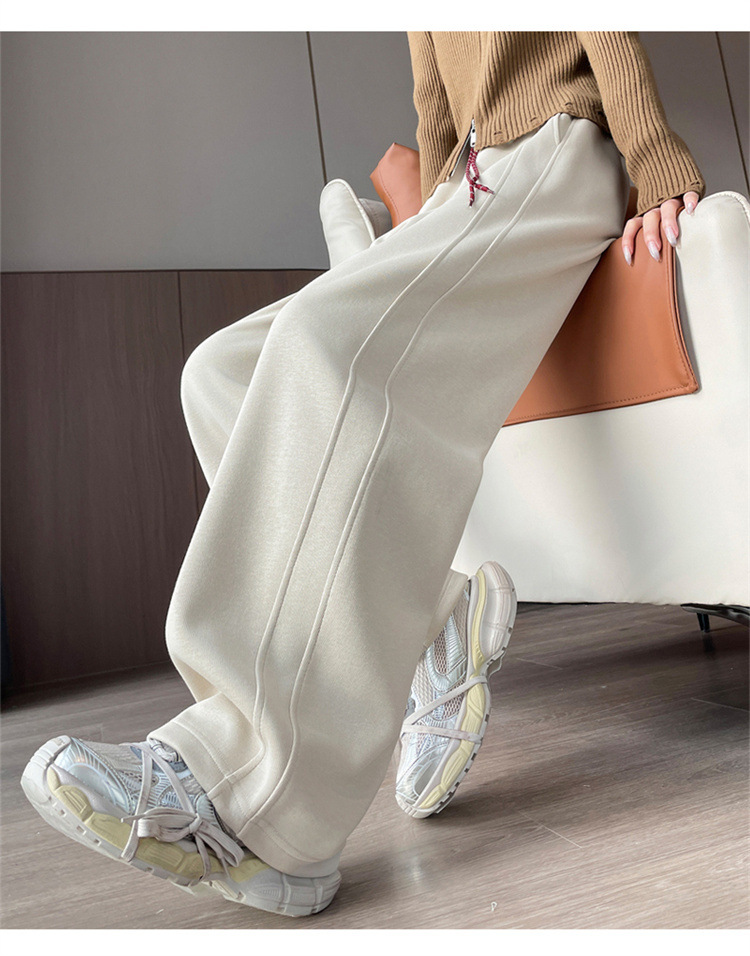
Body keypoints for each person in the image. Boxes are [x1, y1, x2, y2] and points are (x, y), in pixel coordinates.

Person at [21, 31, 705, 919]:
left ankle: (266, 810)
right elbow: (435, 102)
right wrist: (427, 219)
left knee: (320, 345)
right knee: (219, 373)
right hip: (470, 184)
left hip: (556, 150)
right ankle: (433, 617)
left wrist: (656, 159)